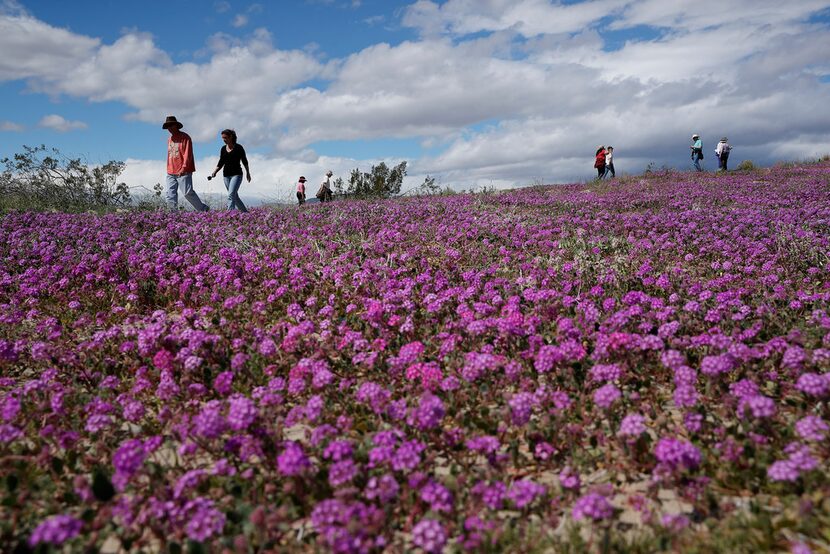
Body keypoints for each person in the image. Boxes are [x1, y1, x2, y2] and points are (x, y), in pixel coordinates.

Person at [163, 116, 210, 211]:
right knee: (170, 194)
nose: (169, 128)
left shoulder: (185, 137)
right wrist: (168, 168)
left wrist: (184, 168)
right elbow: (169, 155)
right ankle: (172, 215)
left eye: (171, 125)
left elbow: (187, 154)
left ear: (176, 125)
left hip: (183, 171)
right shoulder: (169, 139)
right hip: (170, 171)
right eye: (167, 126)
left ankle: (203, 209)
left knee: (187, 193)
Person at [209, 129, 250, 212]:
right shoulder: (223, 149)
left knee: (231, 195)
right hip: (226, 175)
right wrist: (214, 172)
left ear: (231, 137)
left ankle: (230, 215)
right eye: (222, 138)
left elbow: (244, 161)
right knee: (234, 196)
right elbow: (221, 162)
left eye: (225, 138)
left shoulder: (239, 147)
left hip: (237, 175)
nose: (224, 140)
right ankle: (246, 213)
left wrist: (248, 173)